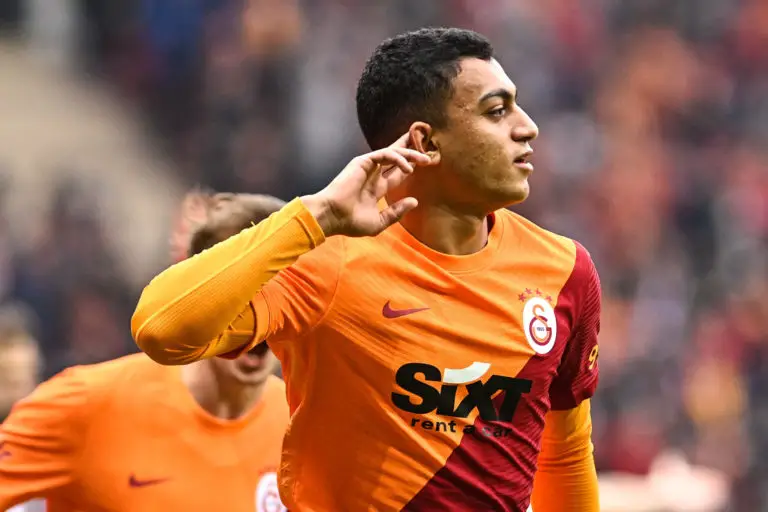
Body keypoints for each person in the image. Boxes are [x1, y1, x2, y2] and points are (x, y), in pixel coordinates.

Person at [132, 27, 602, 512]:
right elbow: (161, 330)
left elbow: (563, 456)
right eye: (496, 111)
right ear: (425, 141)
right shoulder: (325, 259)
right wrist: (315, 215)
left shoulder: (565, 271)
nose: (528, 127)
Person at [0, 192, 290, 512]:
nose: (256, 319)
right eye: (237, 294)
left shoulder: (302, 427)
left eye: (277, 293)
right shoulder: (88, 404)